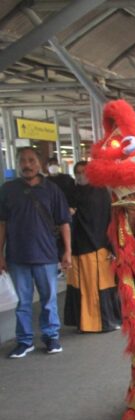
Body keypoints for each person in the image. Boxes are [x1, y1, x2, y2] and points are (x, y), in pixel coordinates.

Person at [0, 147, 71, 358]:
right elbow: (1, 224)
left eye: (31, 160)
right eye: (23, 161)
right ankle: (24, 341)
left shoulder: (52, 190)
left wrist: (67, 251)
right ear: (18, 163)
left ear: (39, 163)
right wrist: (0, 254)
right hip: (17, 255)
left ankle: (51, 337)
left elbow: (64, 222)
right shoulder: (8, 190)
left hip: (46, 255)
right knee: (23, 302)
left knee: (48, 299)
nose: (27, 165)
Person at [63, 161, 121, 333]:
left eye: (84, 171)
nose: (81, 175)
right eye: (78, 172)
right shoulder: (72, 193)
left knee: (101, 285)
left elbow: (109, 220)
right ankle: (85, 322)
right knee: (84, 286)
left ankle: (103, 322)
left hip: (99, 247)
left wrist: (113, 246)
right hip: (78, 249)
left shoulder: (101, 192)